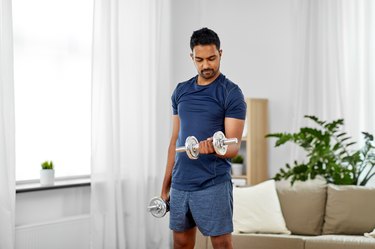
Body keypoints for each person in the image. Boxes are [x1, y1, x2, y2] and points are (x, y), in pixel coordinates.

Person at [161, 27, 246, 249]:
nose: (206, 65)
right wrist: (165, 186)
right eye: (199, 60)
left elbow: (234, 146)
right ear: (192, 57)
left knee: (221, 244)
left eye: (212, 58)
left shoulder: (231, 93)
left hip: (213, 183)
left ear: (220, 53)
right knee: (180, 243)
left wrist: (215, 148)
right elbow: (175, 141)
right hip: (181, 183)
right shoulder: (181, 91)